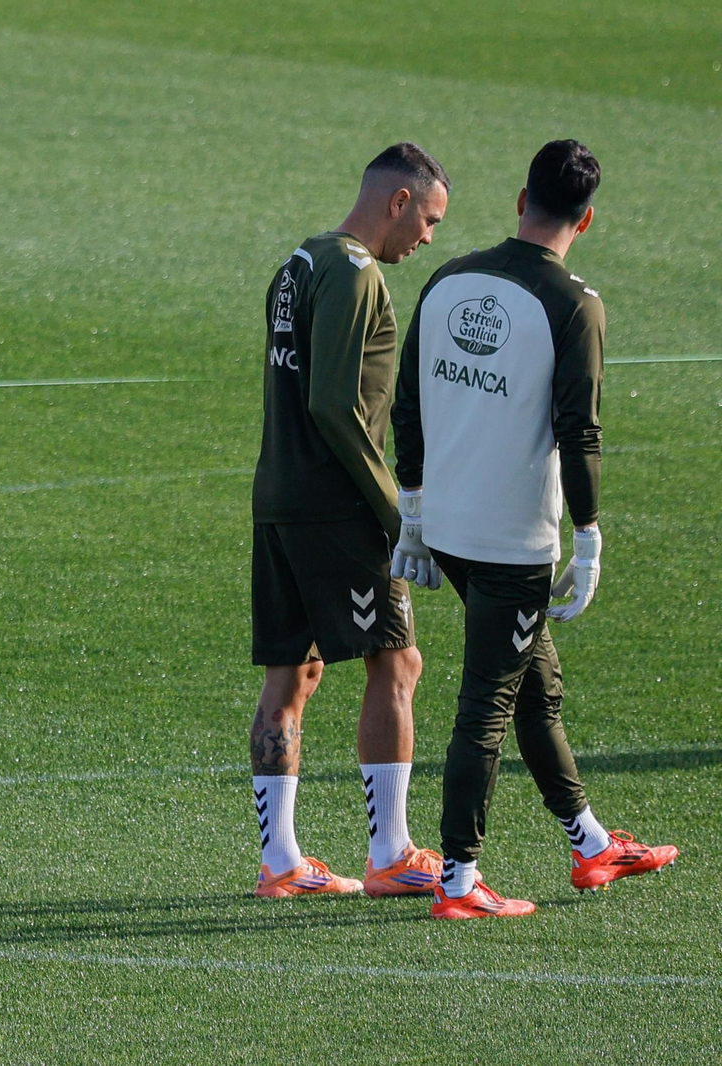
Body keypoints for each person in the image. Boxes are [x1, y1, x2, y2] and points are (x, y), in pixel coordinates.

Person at [390, 140, 678, 919]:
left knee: (534, 689)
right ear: (585, 220)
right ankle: (458, 880)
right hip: (512, 541)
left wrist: (412, 512)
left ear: (521, 200)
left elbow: (406, 402)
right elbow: (578, 433)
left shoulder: (449, 280)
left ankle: (590, 845)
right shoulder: (575, 306)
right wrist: (587, 538)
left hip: (445, 530)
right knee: (488, 699)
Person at [248, 143, 450, 898]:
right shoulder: (358, 273)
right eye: (427, 219)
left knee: (291, 675)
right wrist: (399, 515)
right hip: (338, 504)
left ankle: (281, 863)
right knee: (397, 663)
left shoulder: (297, 263)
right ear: (399, 201)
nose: (426, 238)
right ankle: (392, 850)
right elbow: (335, 404)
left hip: (278, 495)